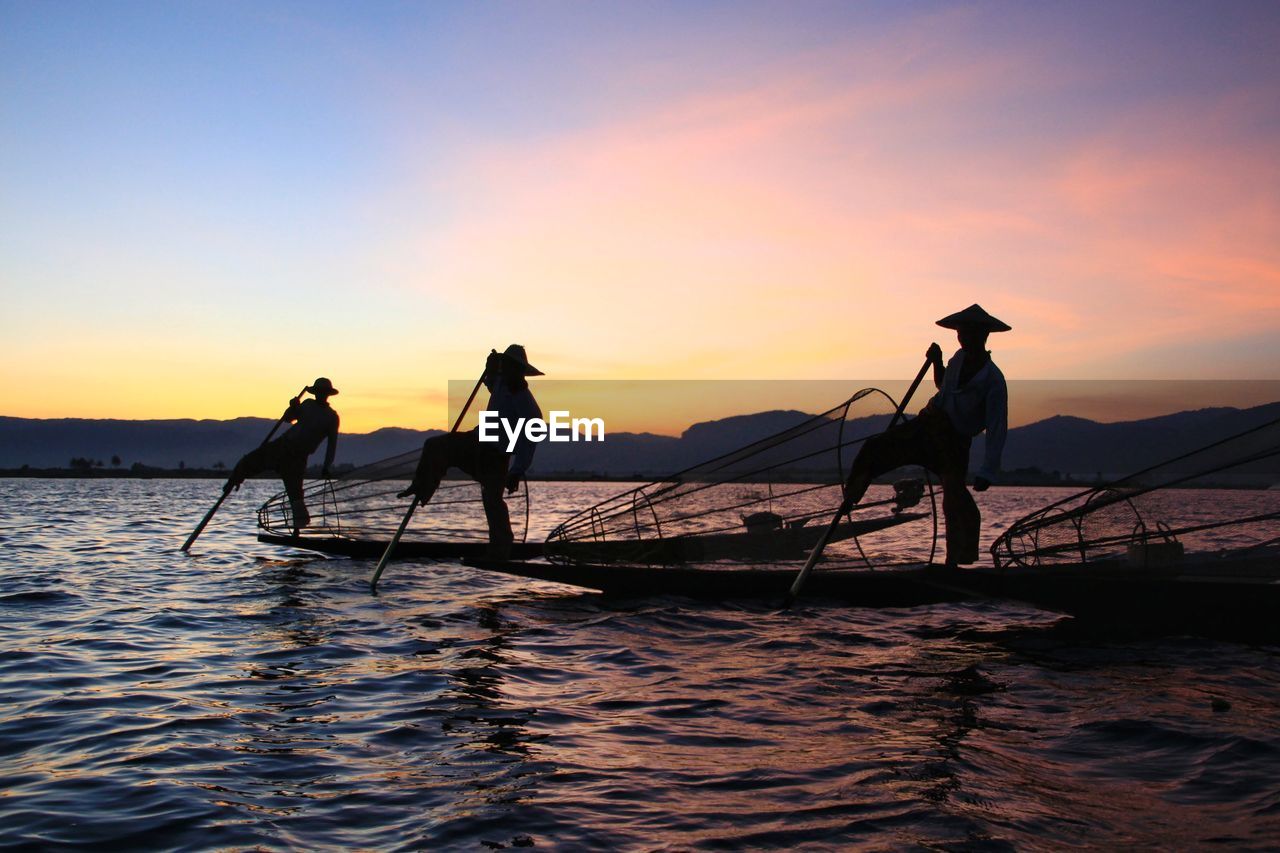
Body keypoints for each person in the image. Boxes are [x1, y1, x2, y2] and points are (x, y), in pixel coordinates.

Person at [840, 304, 1010, 566]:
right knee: (875, 447)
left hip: (953, 441)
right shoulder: (957, 359)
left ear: (983, 335)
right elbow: (944, 385)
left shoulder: (993, 380)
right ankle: (850, 499)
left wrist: (988, 471)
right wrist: (938, 362)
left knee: (954, 498)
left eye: (969, 333)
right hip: (928, 423)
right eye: (961, 333)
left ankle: (956, 562)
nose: (963, 337)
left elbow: (997, 427)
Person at [398, 344, 543, 558]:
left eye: (513, 368)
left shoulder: (528, 405)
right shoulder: (502, 383)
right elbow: (491, 382)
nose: (509, 372)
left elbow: (529, 441)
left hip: (496, 457)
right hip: (477, 442)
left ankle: (501, 550)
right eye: (507, 367)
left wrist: (517, 471)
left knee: (492, 501)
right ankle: (422, 487)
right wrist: (490, 367)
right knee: (435, 446)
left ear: (521, 372)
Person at [226, 378, 340, 531]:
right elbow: (288, 418)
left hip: (298, 458)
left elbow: (332, 445)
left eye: (323, 392)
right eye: (318, 392)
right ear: (315, 393)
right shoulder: (307, 404)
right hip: (282, 446)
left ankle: (297, 532)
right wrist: (293, 407)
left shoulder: (331, 417)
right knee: (249, 461)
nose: (320, 395)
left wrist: (327, 466)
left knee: (296, 496)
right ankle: (233, 481)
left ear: (327, 394)